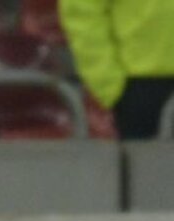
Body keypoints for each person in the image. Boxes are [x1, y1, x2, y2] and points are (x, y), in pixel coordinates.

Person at [59, 0, 174, 140]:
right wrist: (111, 86)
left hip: (139, 83)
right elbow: (82, 13)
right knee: (146, 153)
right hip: (140, 86)